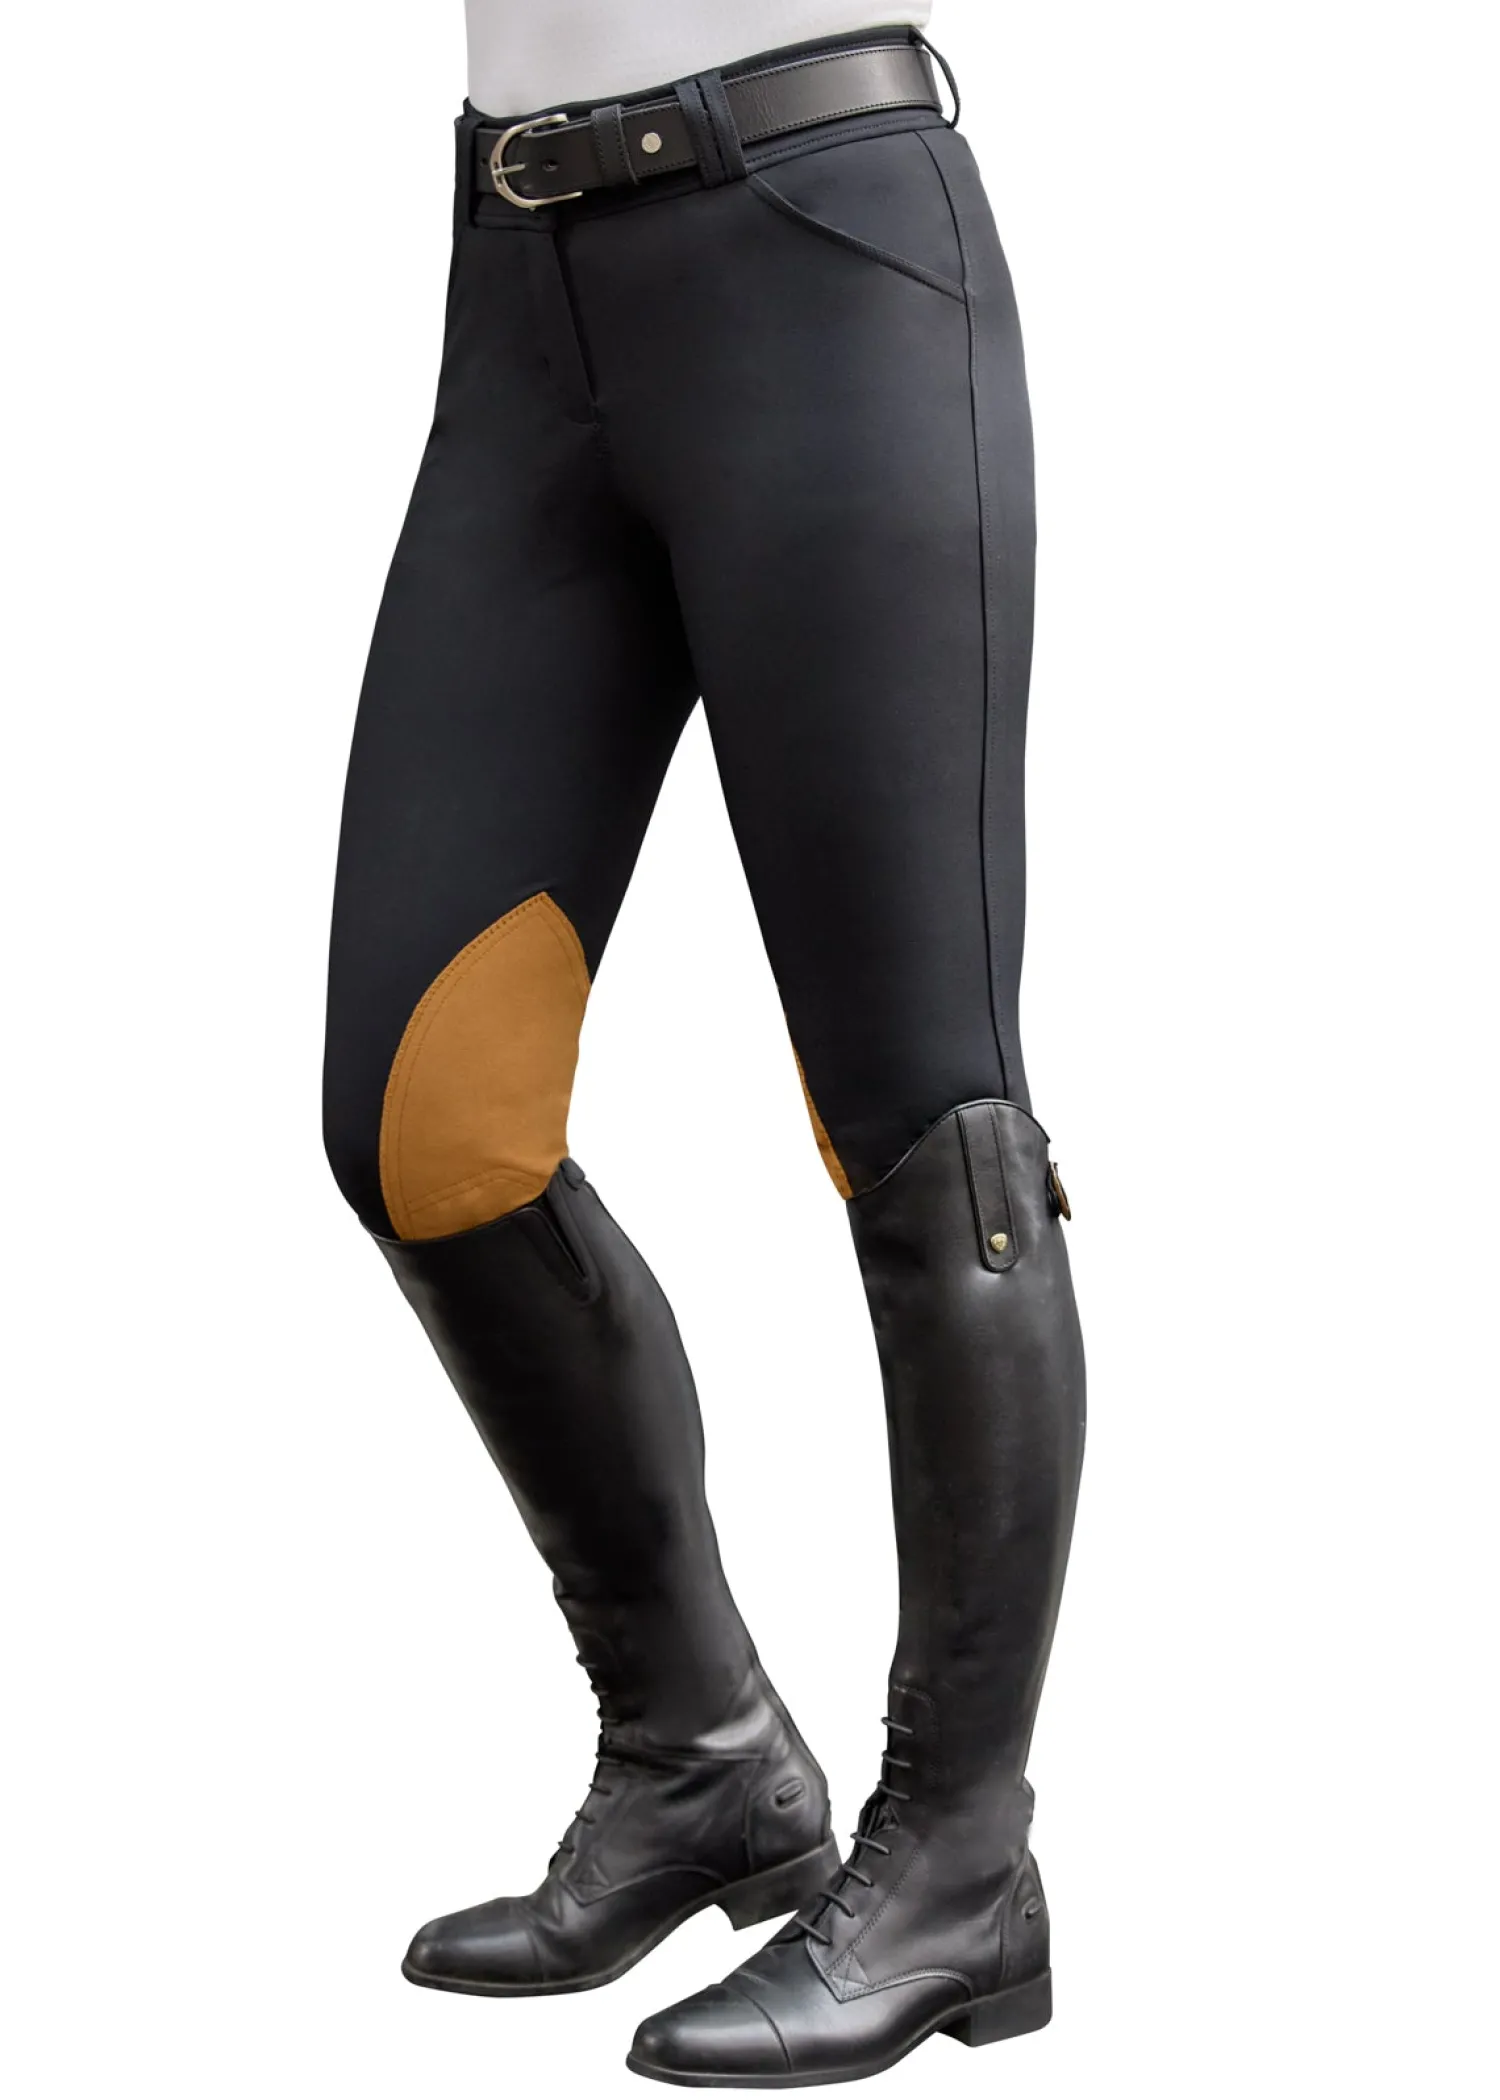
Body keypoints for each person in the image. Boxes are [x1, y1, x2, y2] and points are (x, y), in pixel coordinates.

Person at [322, 3, 1085, 2084]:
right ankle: (699, 1754)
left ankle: (960, 1859)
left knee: (925, 1115)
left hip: (822, 247)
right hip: (517, 302)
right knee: (419, 1131)